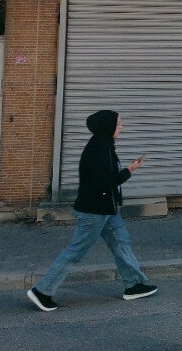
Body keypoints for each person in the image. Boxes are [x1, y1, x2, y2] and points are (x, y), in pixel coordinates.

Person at [27, 110, 156, 312]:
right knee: (76, 251)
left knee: (121, 243)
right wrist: (130, 171)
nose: (122, 126)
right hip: (94, 212)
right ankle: (42, 291)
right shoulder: (98, 149)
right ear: (108, 126)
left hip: (107, 210)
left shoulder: (104, 145)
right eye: (119, 123)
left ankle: (133, 285)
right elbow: (104, 183)